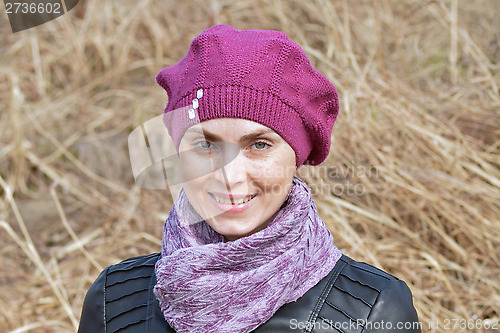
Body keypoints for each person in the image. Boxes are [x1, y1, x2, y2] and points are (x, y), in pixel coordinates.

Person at [78, 25, 421, 333]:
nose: (229, 175)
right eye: (204, 144)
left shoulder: (373, 312)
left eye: (259, 145)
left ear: (296, 157)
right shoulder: (114, 302)